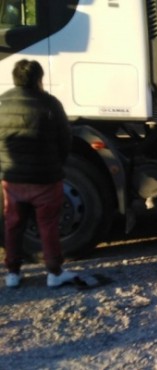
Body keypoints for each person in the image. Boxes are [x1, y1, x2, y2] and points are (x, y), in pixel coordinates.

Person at [0, 59, 77, 288]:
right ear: (39, 79)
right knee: (48, 226)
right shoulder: (50, 103)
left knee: (13, 225)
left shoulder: (2, 103)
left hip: (13, 179)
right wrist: (57, 164)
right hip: (46, 179)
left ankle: (12, 273)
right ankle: (54, 272)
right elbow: (65, 140)